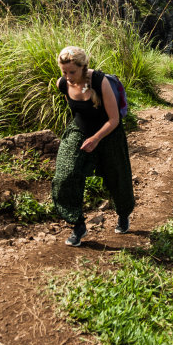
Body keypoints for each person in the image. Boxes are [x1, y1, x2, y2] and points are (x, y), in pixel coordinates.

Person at [51, 46, 135, 247]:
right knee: (65, 174)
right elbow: (77, 111)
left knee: (117, 177)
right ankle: (77, 225)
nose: (68, 77)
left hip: (109, 132)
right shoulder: (62, 84)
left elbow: (114, 119)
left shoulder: (99, 81)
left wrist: (96, 138)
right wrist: (83, 138)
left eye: (72, 72)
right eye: (64, 72)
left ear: (83, 67)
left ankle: (123, 214)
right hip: (80, 130)